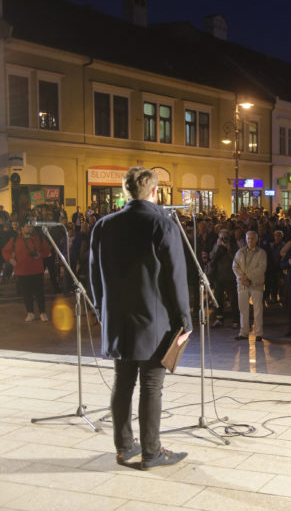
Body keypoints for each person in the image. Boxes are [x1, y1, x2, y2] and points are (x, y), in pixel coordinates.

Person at [89, 166, 190, 470]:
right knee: (151, 385)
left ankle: (124, 448)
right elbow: (175, 278)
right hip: (154, 320)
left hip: (117, 317)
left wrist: (101, 310)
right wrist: (184, 319)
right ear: (155, 192)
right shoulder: (162, 225)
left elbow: (94, 275)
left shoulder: (104, 225)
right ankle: (151, 452)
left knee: (122, 382)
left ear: (125, 192)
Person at [2, 218, 51, 322]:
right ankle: (30, 312)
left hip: (37, 270)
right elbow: (5, 251)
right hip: (22, 271)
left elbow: (47, 250)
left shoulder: (39, 238)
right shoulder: (15, 240)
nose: (30, 228)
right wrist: (10, 259)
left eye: (31, 226)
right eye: (27, 226)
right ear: (22, 228)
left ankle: (42, 312)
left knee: (39, 293)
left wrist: (40, 255)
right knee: (26, 293)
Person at [232, 230, 267, 341]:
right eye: (248, 238)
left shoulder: (261, 253)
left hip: (256, 284)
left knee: (257, 309)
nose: (250, 240)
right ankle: (244, 332)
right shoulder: (240, 252)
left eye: (252, 238)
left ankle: (258, 333)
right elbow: (235, 266)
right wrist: (242, 278)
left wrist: (247, 277)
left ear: (256, 239)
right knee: (243, 309)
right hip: (242, 284)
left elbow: (261, 268)